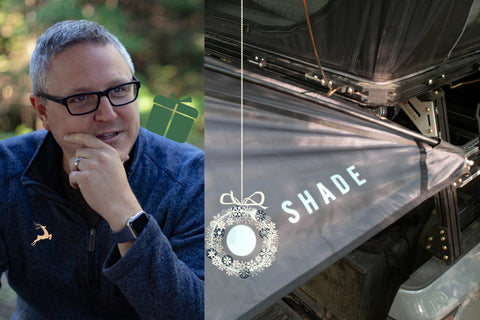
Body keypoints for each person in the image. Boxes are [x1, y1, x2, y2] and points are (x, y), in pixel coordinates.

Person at [0, 20, 204, 319]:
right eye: (80, 98)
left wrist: (126, 214)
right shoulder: (7, 170)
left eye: (119, 90)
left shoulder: (191, 178)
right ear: (42, 111)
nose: (107, 114)